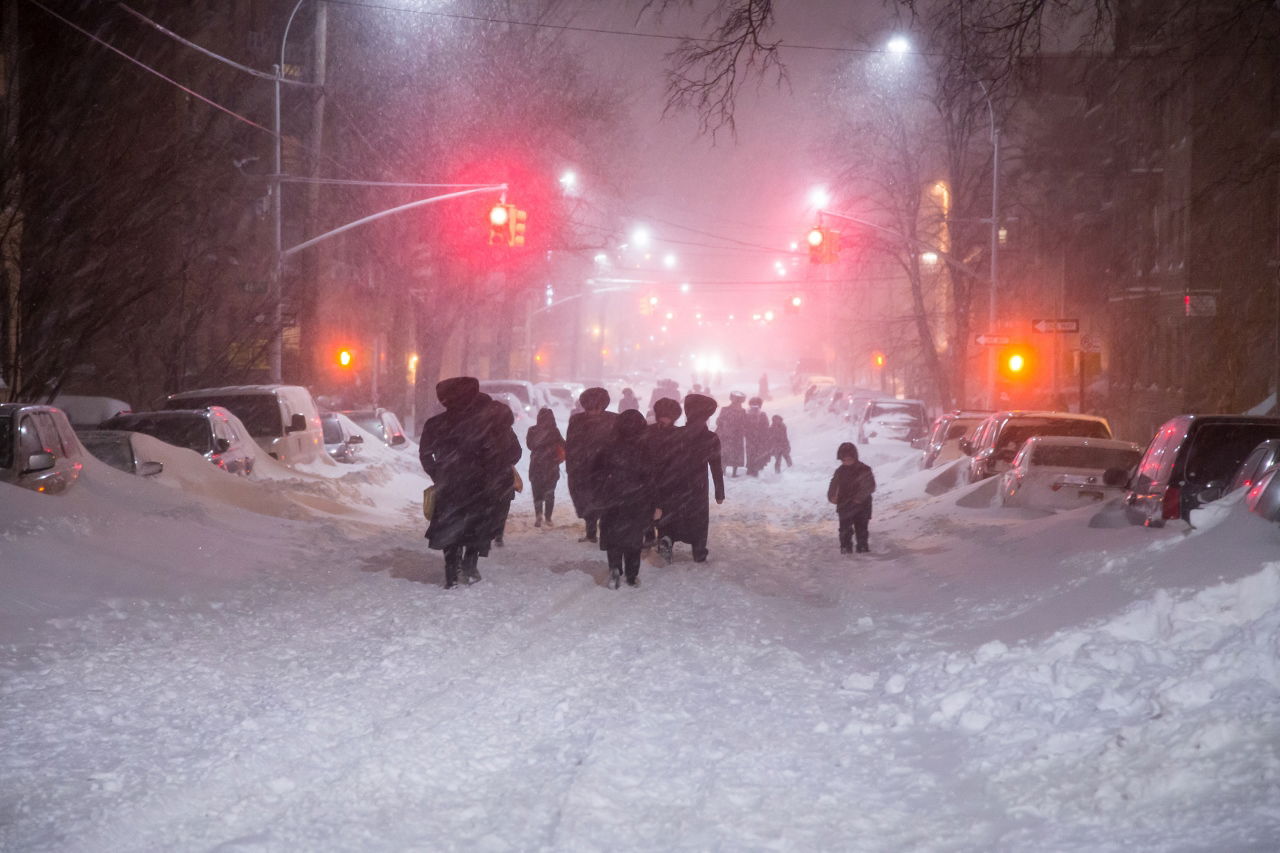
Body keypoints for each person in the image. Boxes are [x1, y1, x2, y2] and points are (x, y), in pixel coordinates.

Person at [419, 377, 520, 588]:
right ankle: (469, 565)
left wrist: (438, 474)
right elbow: (512, 453)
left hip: (450, 485)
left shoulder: (435, 424)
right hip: (480, 486)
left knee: (451, 528)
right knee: (476, 528)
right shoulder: (488, 423)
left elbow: (425, 455)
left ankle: (452, 571)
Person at [590, 410, 661, 588]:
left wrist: (600, 494)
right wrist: (655, 503)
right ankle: (631, 574)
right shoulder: (645, 448)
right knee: (634, 538)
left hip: (612, 499)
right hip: (637, 500)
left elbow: (595, 473)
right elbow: (651, 477)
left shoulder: (607, 445)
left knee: (613, 536)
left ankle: (615, 568)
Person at [657, 393, 726, 563]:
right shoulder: (711, 438)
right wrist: (719, 491)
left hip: (672, 482)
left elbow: (662, 461)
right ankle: (698, 548)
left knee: (671, 513)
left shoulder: (674, 434)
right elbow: (716, 466)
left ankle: (667, 538)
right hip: (697, 485)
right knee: (697, 517)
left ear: (687, 413)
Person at [566, 387, 617, 542]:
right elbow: (571, 444)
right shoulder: (576, 420)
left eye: (597, 408)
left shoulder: (614, 420)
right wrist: (572, 466)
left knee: (605, 502)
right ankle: (591, 532)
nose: (593, 412)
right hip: (583, 468)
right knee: (586, 501)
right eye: (590, 408)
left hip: (607, 468)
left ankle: (605, 533)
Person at [645, 397, 684, 559]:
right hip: (654, 477)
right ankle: (651, 536)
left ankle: (664, 540)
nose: (665, 419)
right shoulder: (649, 431)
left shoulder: (650, 431)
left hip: (668, 478)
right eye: (663, 415)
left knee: (665, 510)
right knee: (649, 507)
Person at [827, 441, 876, 555]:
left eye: (849, 459)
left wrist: (858, 498)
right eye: (844, 460)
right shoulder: (840, 472)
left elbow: (869, 486)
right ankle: (845, 548)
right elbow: (834, 485)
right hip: (845, 505)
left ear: (855, 457)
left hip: (862, 506)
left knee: (861, 529)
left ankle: (862, 548)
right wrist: (832, 496)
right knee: (844, 530)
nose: (846, 462)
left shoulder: (864, 469)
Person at [487, 400, 522, 548]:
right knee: (502, 506)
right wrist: (507, 462)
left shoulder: (483, 432)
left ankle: (487, 533)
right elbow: (517, 452)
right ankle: (498, 534)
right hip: (504, 475)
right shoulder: (508, 432)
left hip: (486, 476)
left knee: (488, 505)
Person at [525, 407, 565, 528]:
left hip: (536, 465)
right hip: (551, 465)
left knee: (537, 491)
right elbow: (564, 445)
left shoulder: (532, 430)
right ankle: (548, 518)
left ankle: (538, 515)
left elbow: (530, 445)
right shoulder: (554, 431)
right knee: (549, 492)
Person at [716, 391, 747, 477]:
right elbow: (719, 421)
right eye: (736, 400)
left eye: (738, 400)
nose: (737, 402)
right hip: (727, 435)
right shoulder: (725, 409)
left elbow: (744, 423)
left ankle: (730, 472)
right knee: (727, 452)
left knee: (733, 453)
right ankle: (725, 471)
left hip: (735, 435)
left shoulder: (741, 411)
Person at [744, 396, 770, 476]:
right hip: (752, 437)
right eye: (753, 404)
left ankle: (754, 468)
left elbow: (766, 426)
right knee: (752, 452)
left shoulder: (762, 414)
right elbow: (744, 425)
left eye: (756, 404)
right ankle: (751, 468)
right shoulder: (747, 414)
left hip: (758, 437)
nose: (754, 406)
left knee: (754, 452)